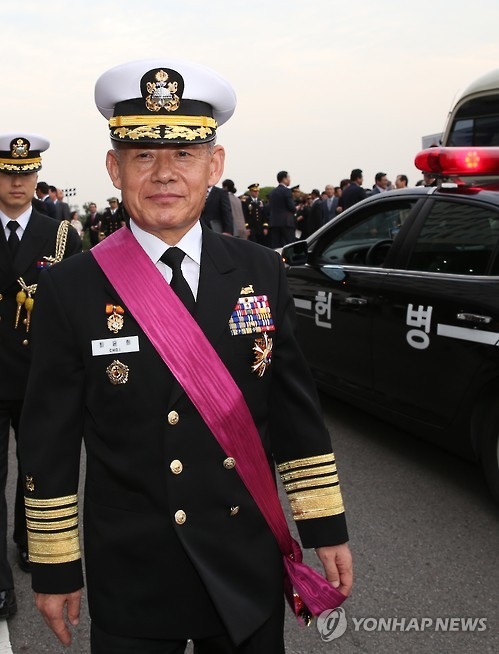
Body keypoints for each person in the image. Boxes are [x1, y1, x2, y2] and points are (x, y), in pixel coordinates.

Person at [19, 59, 352, 653]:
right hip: (135, 568)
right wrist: (55, 567)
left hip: (244, 557)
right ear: (114, 168)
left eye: (184, 154)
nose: (165, 174)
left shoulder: (261, 271)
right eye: (143, 155)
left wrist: (324, 527)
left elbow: (294, 412)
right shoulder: (71, 287)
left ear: (214, 165)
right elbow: (49, 440)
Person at [0, 133, 82, 619]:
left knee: (37, 469)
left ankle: (30, 540)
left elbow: (78, 308)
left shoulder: (61, 236)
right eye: (8, 173)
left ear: (37, 177)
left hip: (39, 376)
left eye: (26, 173)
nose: (17, 182)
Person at [268, 170, 296, 248]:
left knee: (276, 246)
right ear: (284, 179)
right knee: (290, 245)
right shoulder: (287, 191)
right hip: (286, 222)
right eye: (288, 177)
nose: (290, 179)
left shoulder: (272, 192)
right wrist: (295, 209)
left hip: (274, 222)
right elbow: (291, 207)